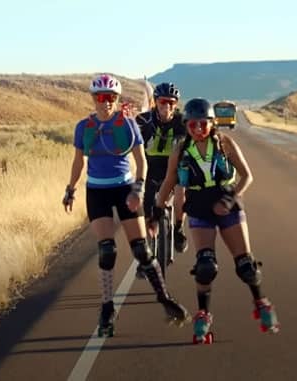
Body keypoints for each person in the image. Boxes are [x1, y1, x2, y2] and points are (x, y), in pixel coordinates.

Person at [63, 74, 190, 337]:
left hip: (124, 189)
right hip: (96, 191)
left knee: (142, 251)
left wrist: (138, 188)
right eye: (100, 97)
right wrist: (70, 189)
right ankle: (107, 308)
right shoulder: (83, 127)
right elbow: (78, 163)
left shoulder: (128, 125)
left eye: (110, 97)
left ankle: (165, 299)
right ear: (93, 98)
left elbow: (141, 161)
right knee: (107, 251)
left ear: (116, 99)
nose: (105, 102)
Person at [152, 98, 279, 344]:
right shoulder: (180, 150)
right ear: (186, 124)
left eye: (203, 124)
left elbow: (246, 176)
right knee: (205, 266)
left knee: (246, 266)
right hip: (199, 206)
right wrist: (157, 211)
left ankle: (261, 303)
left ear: (212, 123)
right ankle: (204, 314)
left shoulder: (224, 143)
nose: (198, 129)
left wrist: (230, 200)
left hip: (226, 203)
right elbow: (168, 183)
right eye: (192, 125)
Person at [134, 82, 188, 278]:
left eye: (172, 102)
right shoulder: (144, 120)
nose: (167, 106)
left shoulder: (183, 121)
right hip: (150, 169)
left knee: (182, 189)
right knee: (146, 212)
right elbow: (128, 137)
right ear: (155, 102)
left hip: (175, 169)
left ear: (176, 104)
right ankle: (146, 260)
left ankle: (179, 228)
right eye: (163, 102)